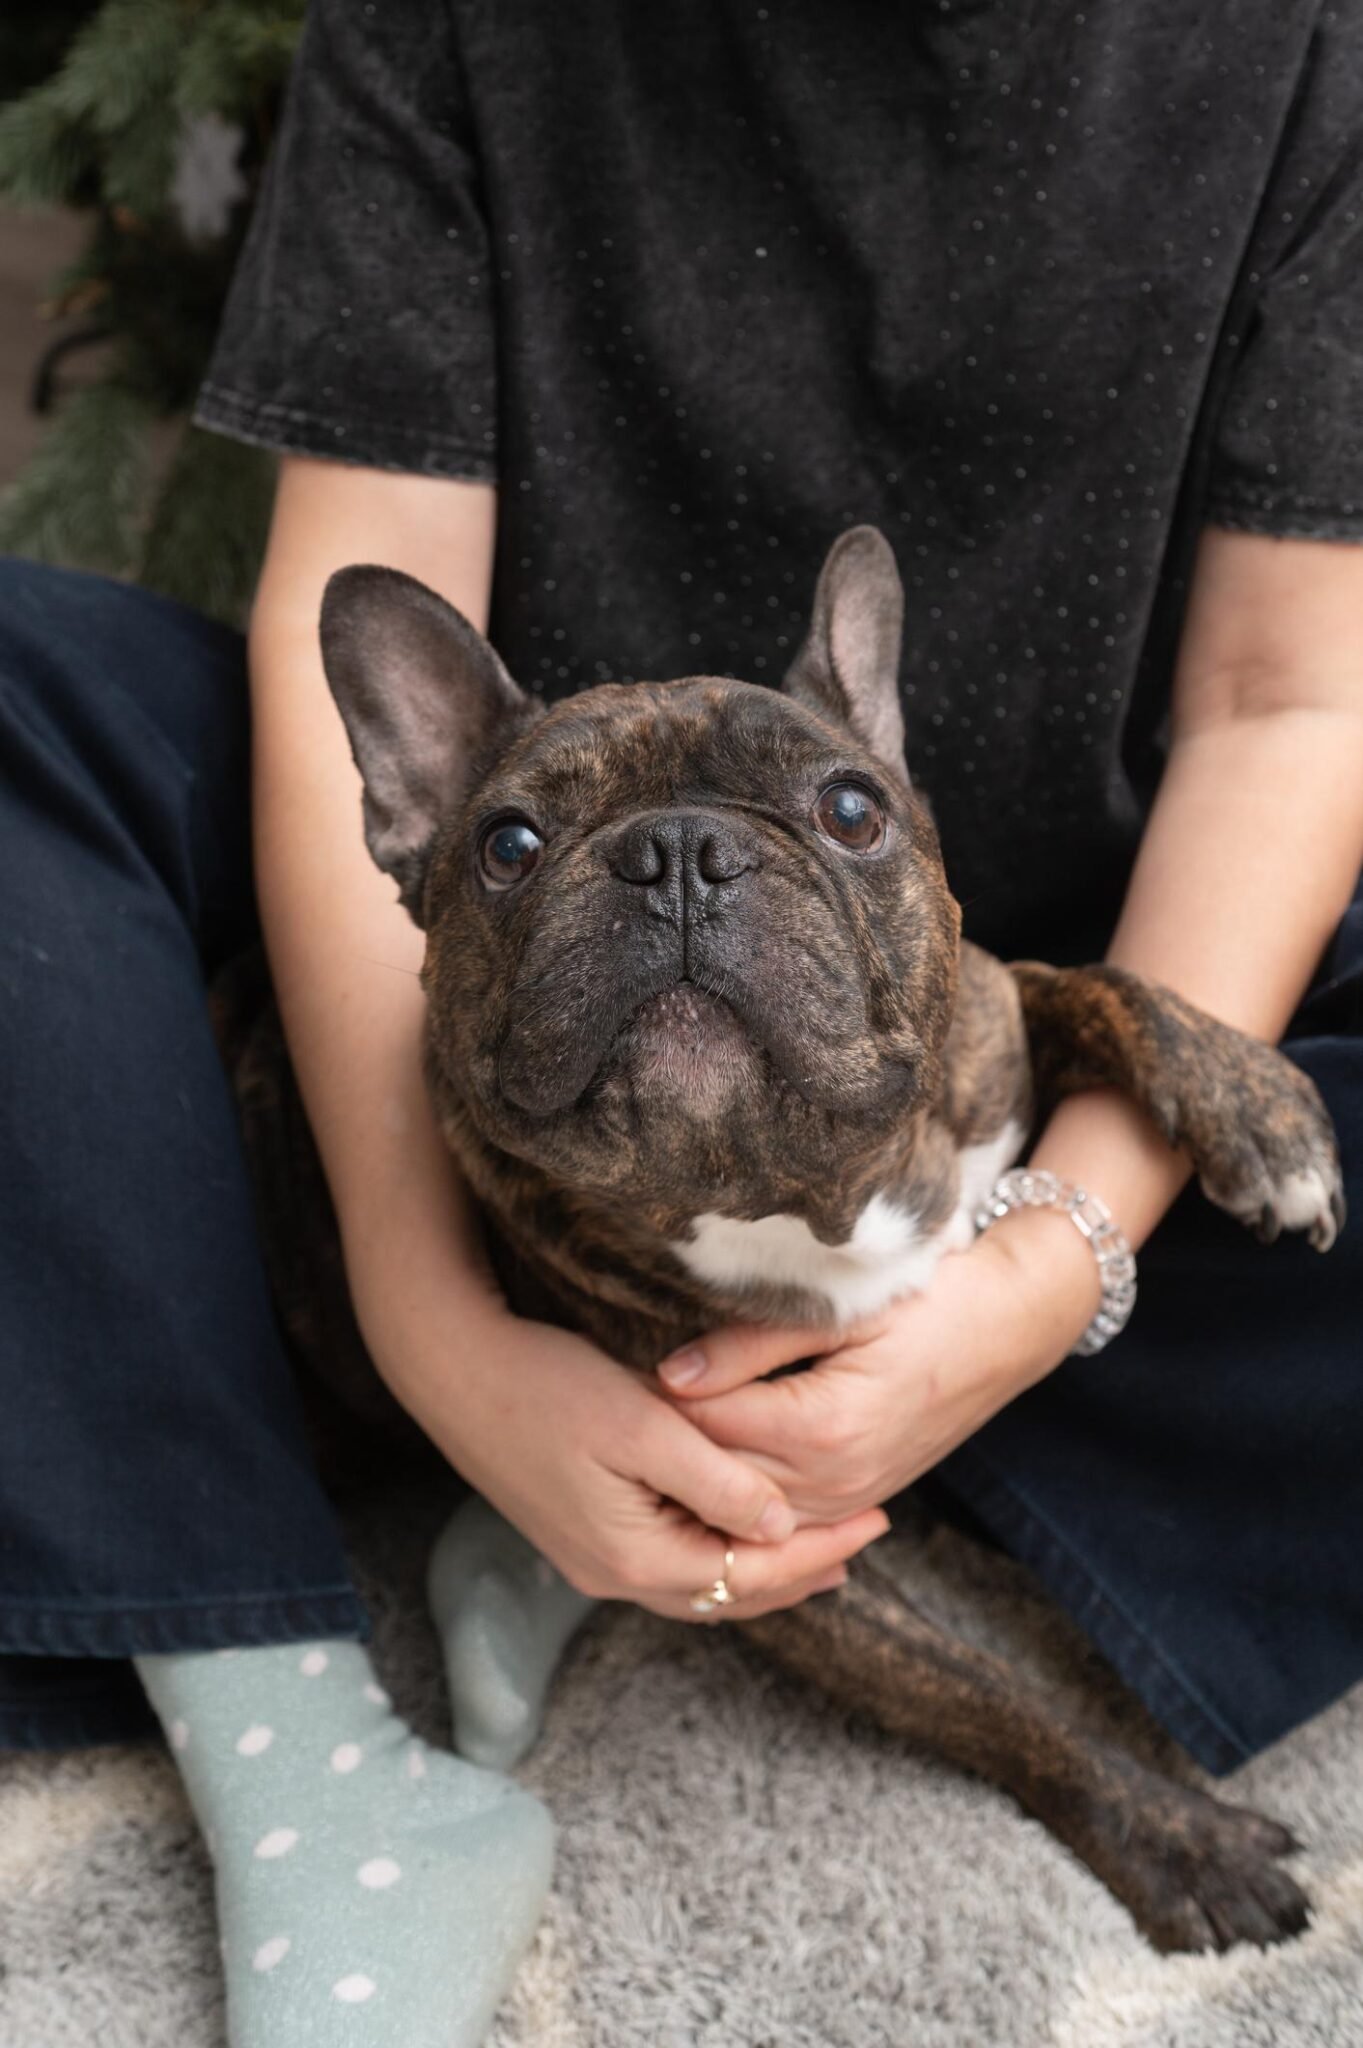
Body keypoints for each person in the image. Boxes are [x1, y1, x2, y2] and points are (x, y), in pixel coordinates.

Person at [3, 1, 1362, 2041]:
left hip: (1036, 967)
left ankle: (790, 1467)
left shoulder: (1306, 46)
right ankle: (279, 1709)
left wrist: (1054, 1256)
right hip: (468, 961)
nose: (695, 880)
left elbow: (1290, 704)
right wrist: (439, 1322)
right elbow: (342, 623)